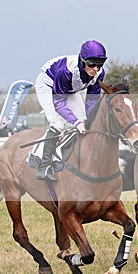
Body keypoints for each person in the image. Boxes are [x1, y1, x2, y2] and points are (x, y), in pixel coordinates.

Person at [33, 40, 108, 180]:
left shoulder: (99, 73)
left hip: (71, 89)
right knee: (58, 123)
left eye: (100, 65)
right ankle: (44, 166)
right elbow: (59, 104)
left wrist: (86, 120)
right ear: (82, 60)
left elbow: (92, 100)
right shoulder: (66, 71)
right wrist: (76, 122)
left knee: (85, 122)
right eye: (92, 64)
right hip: (48, 85)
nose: (96, 69)